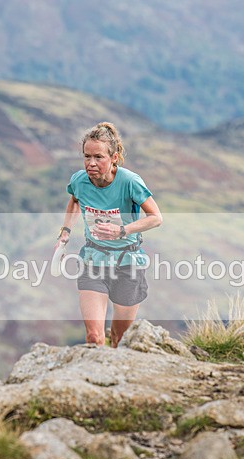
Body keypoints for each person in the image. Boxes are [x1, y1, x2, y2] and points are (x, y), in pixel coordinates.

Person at [57, 122, 163, 347]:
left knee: (119, 338)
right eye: (87, 156)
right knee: (94, 337)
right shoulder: (79, 180)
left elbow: (156, 217)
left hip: (128, 263)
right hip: (93, 261)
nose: (91, 163)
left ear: (114, 158)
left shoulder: (129, 182)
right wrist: (65, 234)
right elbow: (74, 201)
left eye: (98, 157)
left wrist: (122, 230)